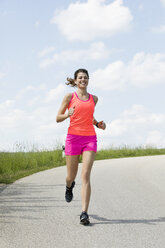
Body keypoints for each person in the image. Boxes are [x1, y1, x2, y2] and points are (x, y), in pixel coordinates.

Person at [56, 68, 106, 225]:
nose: (83, 80)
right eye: (80, 78)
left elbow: (88, 117)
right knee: (71, 176)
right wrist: (67, 114)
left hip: (90, 139)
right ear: (76, 81)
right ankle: (69, 186)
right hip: (73, 139)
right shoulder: (70, 96)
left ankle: (84, 213)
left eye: (85, 77)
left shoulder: (94, 98)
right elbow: (58, 118)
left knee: (85, 176)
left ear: (88, 80)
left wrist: (98, 124)